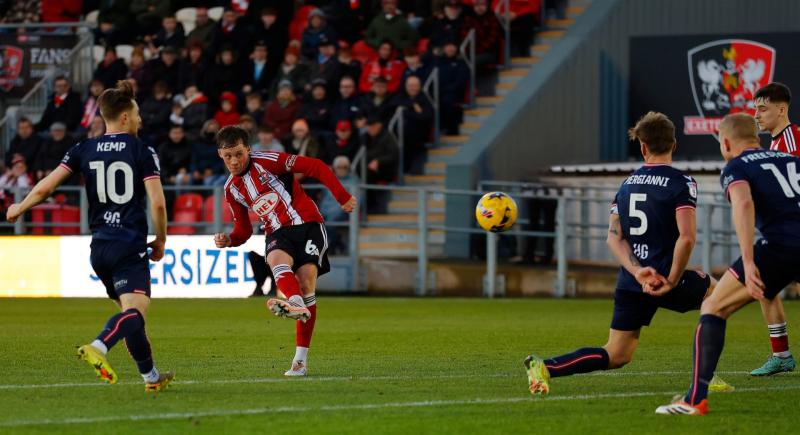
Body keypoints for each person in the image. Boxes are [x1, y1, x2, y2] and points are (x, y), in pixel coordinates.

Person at [524, 112, 729, 396]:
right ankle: (705, 377)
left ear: (643, 147)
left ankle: (545, 367)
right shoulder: (682, 182)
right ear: (674, 144)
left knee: (617, 354)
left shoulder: (627, 184)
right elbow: (687, 237)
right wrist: (670, 279)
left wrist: (637, 272)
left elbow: (613, 237)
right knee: (716, 297)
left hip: (634, 281)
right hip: (666, 278)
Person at [5, 80, 173, 391]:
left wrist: (20, 207)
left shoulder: (83, 148)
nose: (140, 119)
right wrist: (161, 239)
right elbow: (159, 202)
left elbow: (46, 187)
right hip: (128, 245)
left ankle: (151, 377)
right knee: (135, 312)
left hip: (99, 249)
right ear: (123, 117)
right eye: (136, 114)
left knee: (130, 313)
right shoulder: (141, 149)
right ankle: (98, 346)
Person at [655, 113, 800, 415]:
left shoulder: (737, 166)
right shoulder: (792, 160)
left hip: (779, 246)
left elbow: (744, 204)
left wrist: (748, 260)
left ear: (725, 143)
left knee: (713, 308)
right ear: (756, 138)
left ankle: (694, 400)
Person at [213, 125, 357, 376]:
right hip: (276, 232)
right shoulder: (231, 189)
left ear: (248, 149)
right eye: (228, 156)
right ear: (220, 155)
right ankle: (296, 305)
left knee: (305, 281)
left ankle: (300, 360)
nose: (234, 161)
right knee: (275, 258)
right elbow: (244, 230)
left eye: (239, 154)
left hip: (308, 224)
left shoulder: (269, 160)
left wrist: (342, 196)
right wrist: (230, 240)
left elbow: (316, 167)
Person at [744, 82, 798, 376]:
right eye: (755, 108)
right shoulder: (777, 144)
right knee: (765, 287)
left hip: (793, 234)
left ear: (781, 109)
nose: (757, 114)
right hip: (784, 235)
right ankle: (782, 355)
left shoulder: (792, 143)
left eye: (762, 108)